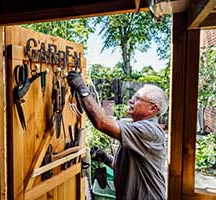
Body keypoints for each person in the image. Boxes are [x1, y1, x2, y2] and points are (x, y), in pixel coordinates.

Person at [67, 71, 168, 200]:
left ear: (152, 109)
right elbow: (127, 169)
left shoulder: (149, 130)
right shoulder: (138, 130)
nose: (131, 100)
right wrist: (106, 158)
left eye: (138, 98)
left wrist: (83, 89)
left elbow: (102, 122)